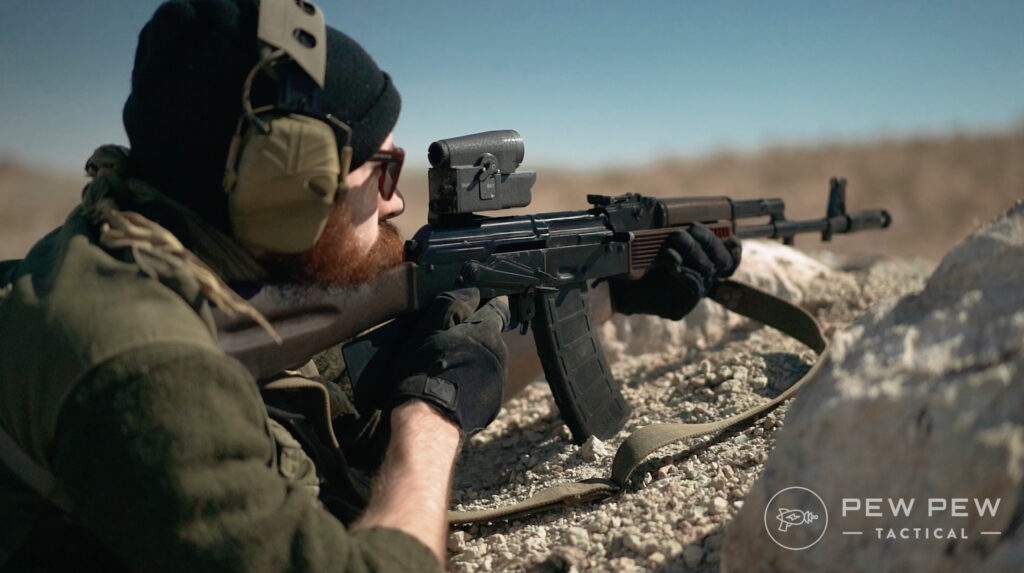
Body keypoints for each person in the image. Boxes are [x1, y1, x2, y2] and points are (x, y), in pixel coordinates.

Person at [0, 0, 738, 571]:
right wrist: (431, 419)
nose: (397, 202)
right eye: (381, 172)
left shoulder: (150, 249)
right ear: (286, 187)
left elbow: (383, 382)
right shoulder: (146, 372)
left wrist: (609, 292)